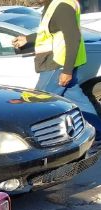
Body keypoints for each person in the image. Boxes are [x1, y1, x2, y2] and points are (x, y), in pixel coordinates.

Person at [12, 0, 101, 128]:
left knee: (38, 102)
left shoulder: (62, 6)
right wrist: (27, 39)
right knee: (79, 102)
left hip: (56, 64)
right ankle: (98, 135)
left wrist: (67, 71)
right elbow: (50, 32)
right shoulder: (55, 4)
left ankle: (37, 141)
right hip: (58, 63)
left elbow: (73, 37)